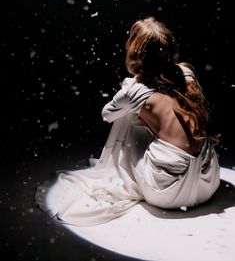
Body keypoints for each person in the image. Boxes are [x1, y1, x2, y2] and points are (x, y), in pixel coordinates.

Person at [35, 16, 220, 226]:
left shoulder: (134, 90)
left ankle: (116, 175)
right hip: (208, 183)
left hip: (166, 193)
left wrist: (131, 92)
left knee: (128, 116)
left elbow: (107, 115)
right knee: (144, 112)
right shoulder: (186, 74)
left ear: (136, 52)